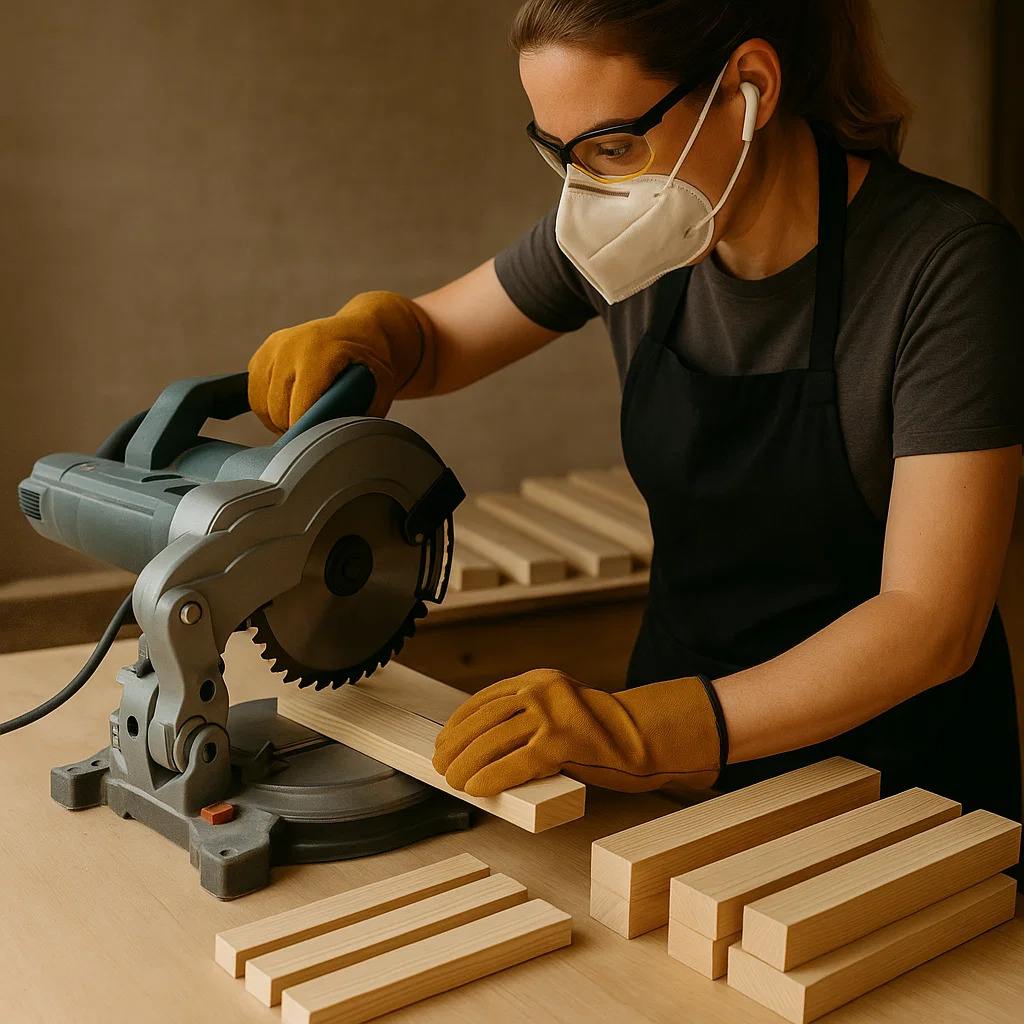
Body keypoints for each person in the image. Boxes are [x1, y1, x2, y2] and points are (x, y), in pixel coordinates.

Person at [247, 0, 1024, 871]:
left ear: (748, 90)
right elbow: (438, 341)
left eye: (613, 146)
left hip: (896, 802)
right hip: (673, 786)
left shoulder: (946, 264)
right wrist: (371, 340)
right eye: (560, 153)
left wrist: (642, 729)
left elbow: (930, 620)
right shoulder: (637, 227)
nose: (590, 190)